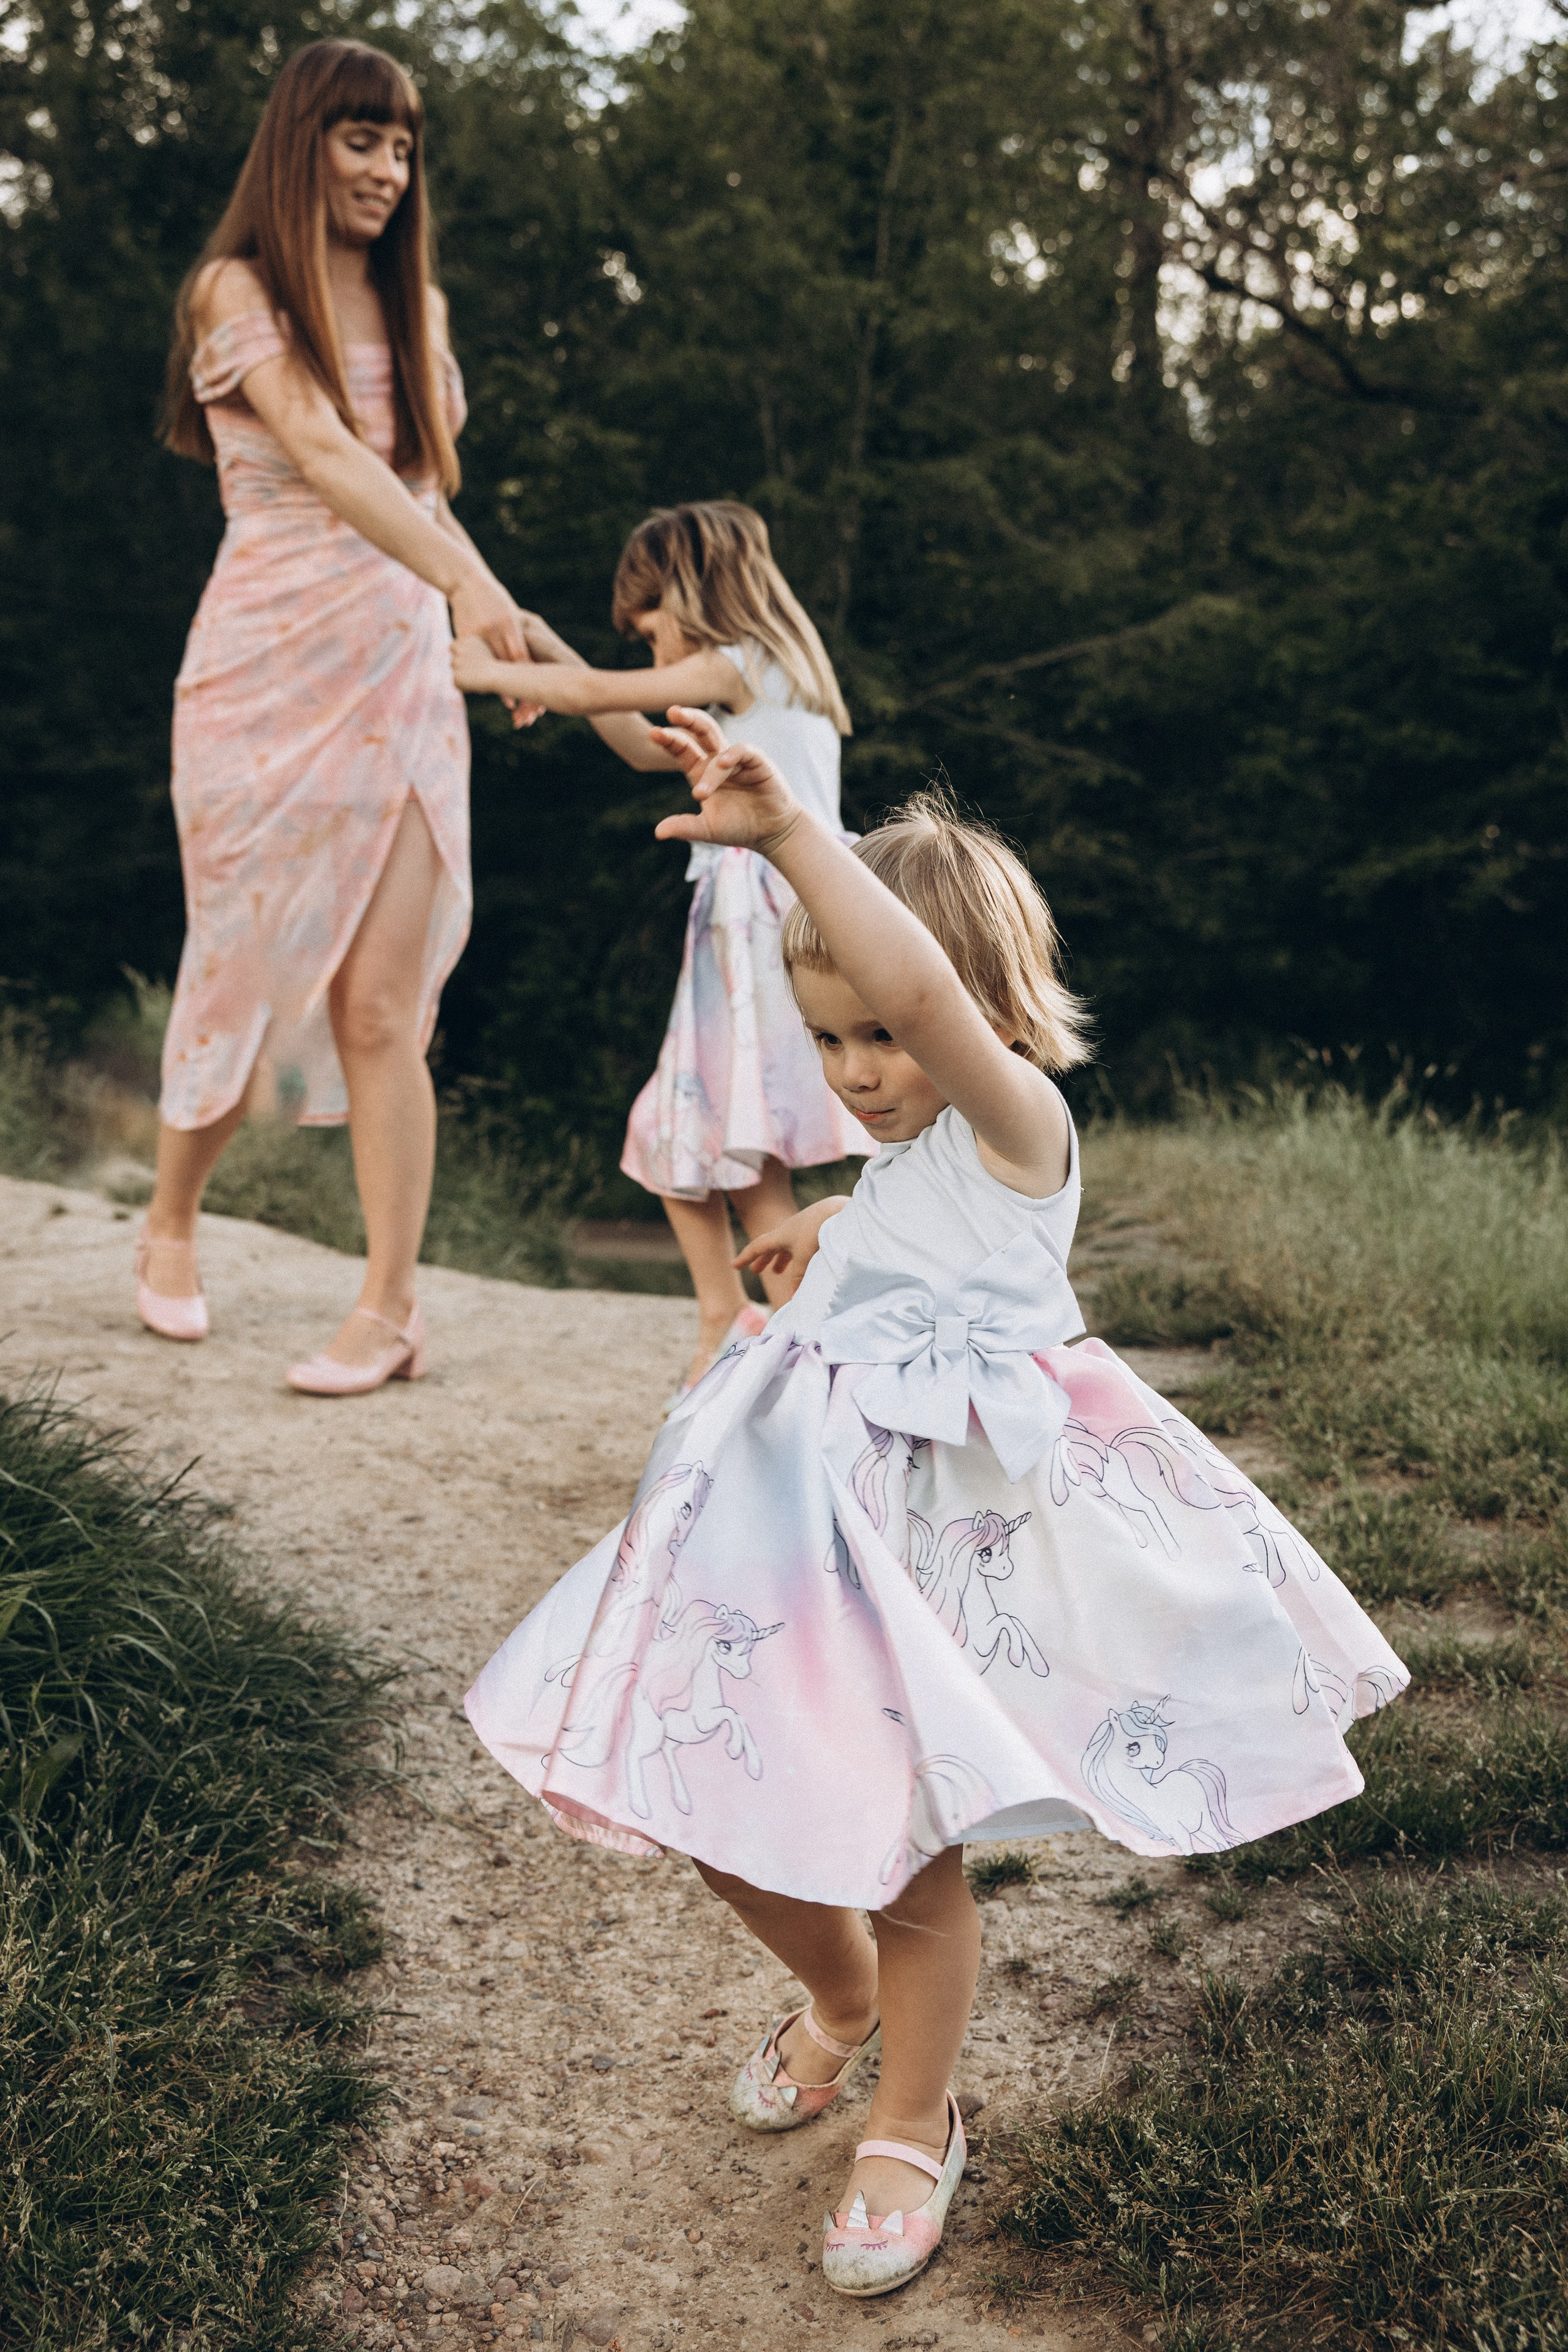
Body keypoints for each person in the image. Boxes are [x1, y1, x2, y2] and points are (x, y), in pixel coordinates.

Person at [464, 710, 1409, 2299]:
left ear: (978, 1017)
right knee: (706, 1798)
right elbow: (911, 1191)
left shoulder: (1024, 1125)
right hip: (792, 1543)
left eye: (880, 1038)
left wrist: (793, 840)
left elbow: (924, 1015)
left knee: (904, 1853)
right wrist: (833, 1222)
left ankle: (912, 2118)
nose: (856, 1071)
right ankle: (840, 2002)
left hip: (931, 1563)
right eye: (826, 1042)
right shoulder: (911, 1160)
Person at [141, 38, 533, 1394]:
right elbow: (319, 452)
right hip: (261, 670)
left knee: (383, 1006)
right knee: (240, 972)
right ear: (301, 142)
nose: (388, 169)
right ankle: (170, 1224)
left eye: (404, 146)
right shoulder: (234, 289)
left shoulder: (419, 307)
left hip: (402, 675)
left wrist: (507, 631)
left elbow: (421, 499)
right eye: (363, 139)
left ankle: (389, 1307)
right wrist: (466, 586)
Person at [451, 501, 870, 1400]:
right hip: (775, 914)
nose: (651, 655)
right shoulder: (772, 673)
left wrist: (484, 668)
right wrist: (549, 647)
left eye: (652, 633)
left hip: (758, 918)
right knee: (705, 1133)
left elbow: (606, 697)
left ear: (692, 592)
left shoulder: (740, 664)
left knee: (716, 1132)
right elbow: (647, 745)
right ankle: (743, 1319)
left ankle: (781, 1341)